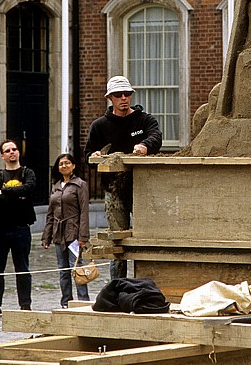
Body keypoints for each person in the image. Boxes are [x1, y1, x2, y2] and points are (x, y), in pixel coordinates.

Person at [84, 75, 162, 278]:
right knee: (117, 243)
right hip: (114, 189)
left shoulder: (144, 119)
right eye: (118, 95)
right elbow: (88, 154)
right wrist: (94, 156)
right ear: (110, 98)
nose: (124, 98)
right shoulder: (100, 126)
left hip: (141, 188)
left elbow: (156, 136)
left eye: (127, 94)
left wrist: (145, 145)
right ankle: (117, 287)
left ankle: (147, 282)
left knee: (147, 237)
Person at [0, 139, 37, 317]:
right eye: (7, 150)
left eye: (14, 149)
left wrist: (5, 192)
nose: (12, 152)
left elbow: (30, 189)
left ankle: (25, 303)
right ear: (2, 155)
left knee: (22, 267)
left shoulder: (27, 172)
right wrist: (17, 195)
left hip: (21, 227)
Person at [42, 153, 91, 308]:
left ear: (73, 165)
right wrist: (46, 236)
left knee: (76, 267)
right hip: (58, 232)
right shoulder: (55, 187)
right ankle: (66, 301)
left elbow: (84, 211)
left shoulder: (80, 184)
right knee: (63, 269)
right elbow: (51, 213)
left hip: (74, 231)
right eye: (61, 164)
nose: (64, 166)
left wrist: (83, 236)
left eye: (67, 163)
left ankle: (83, 301)